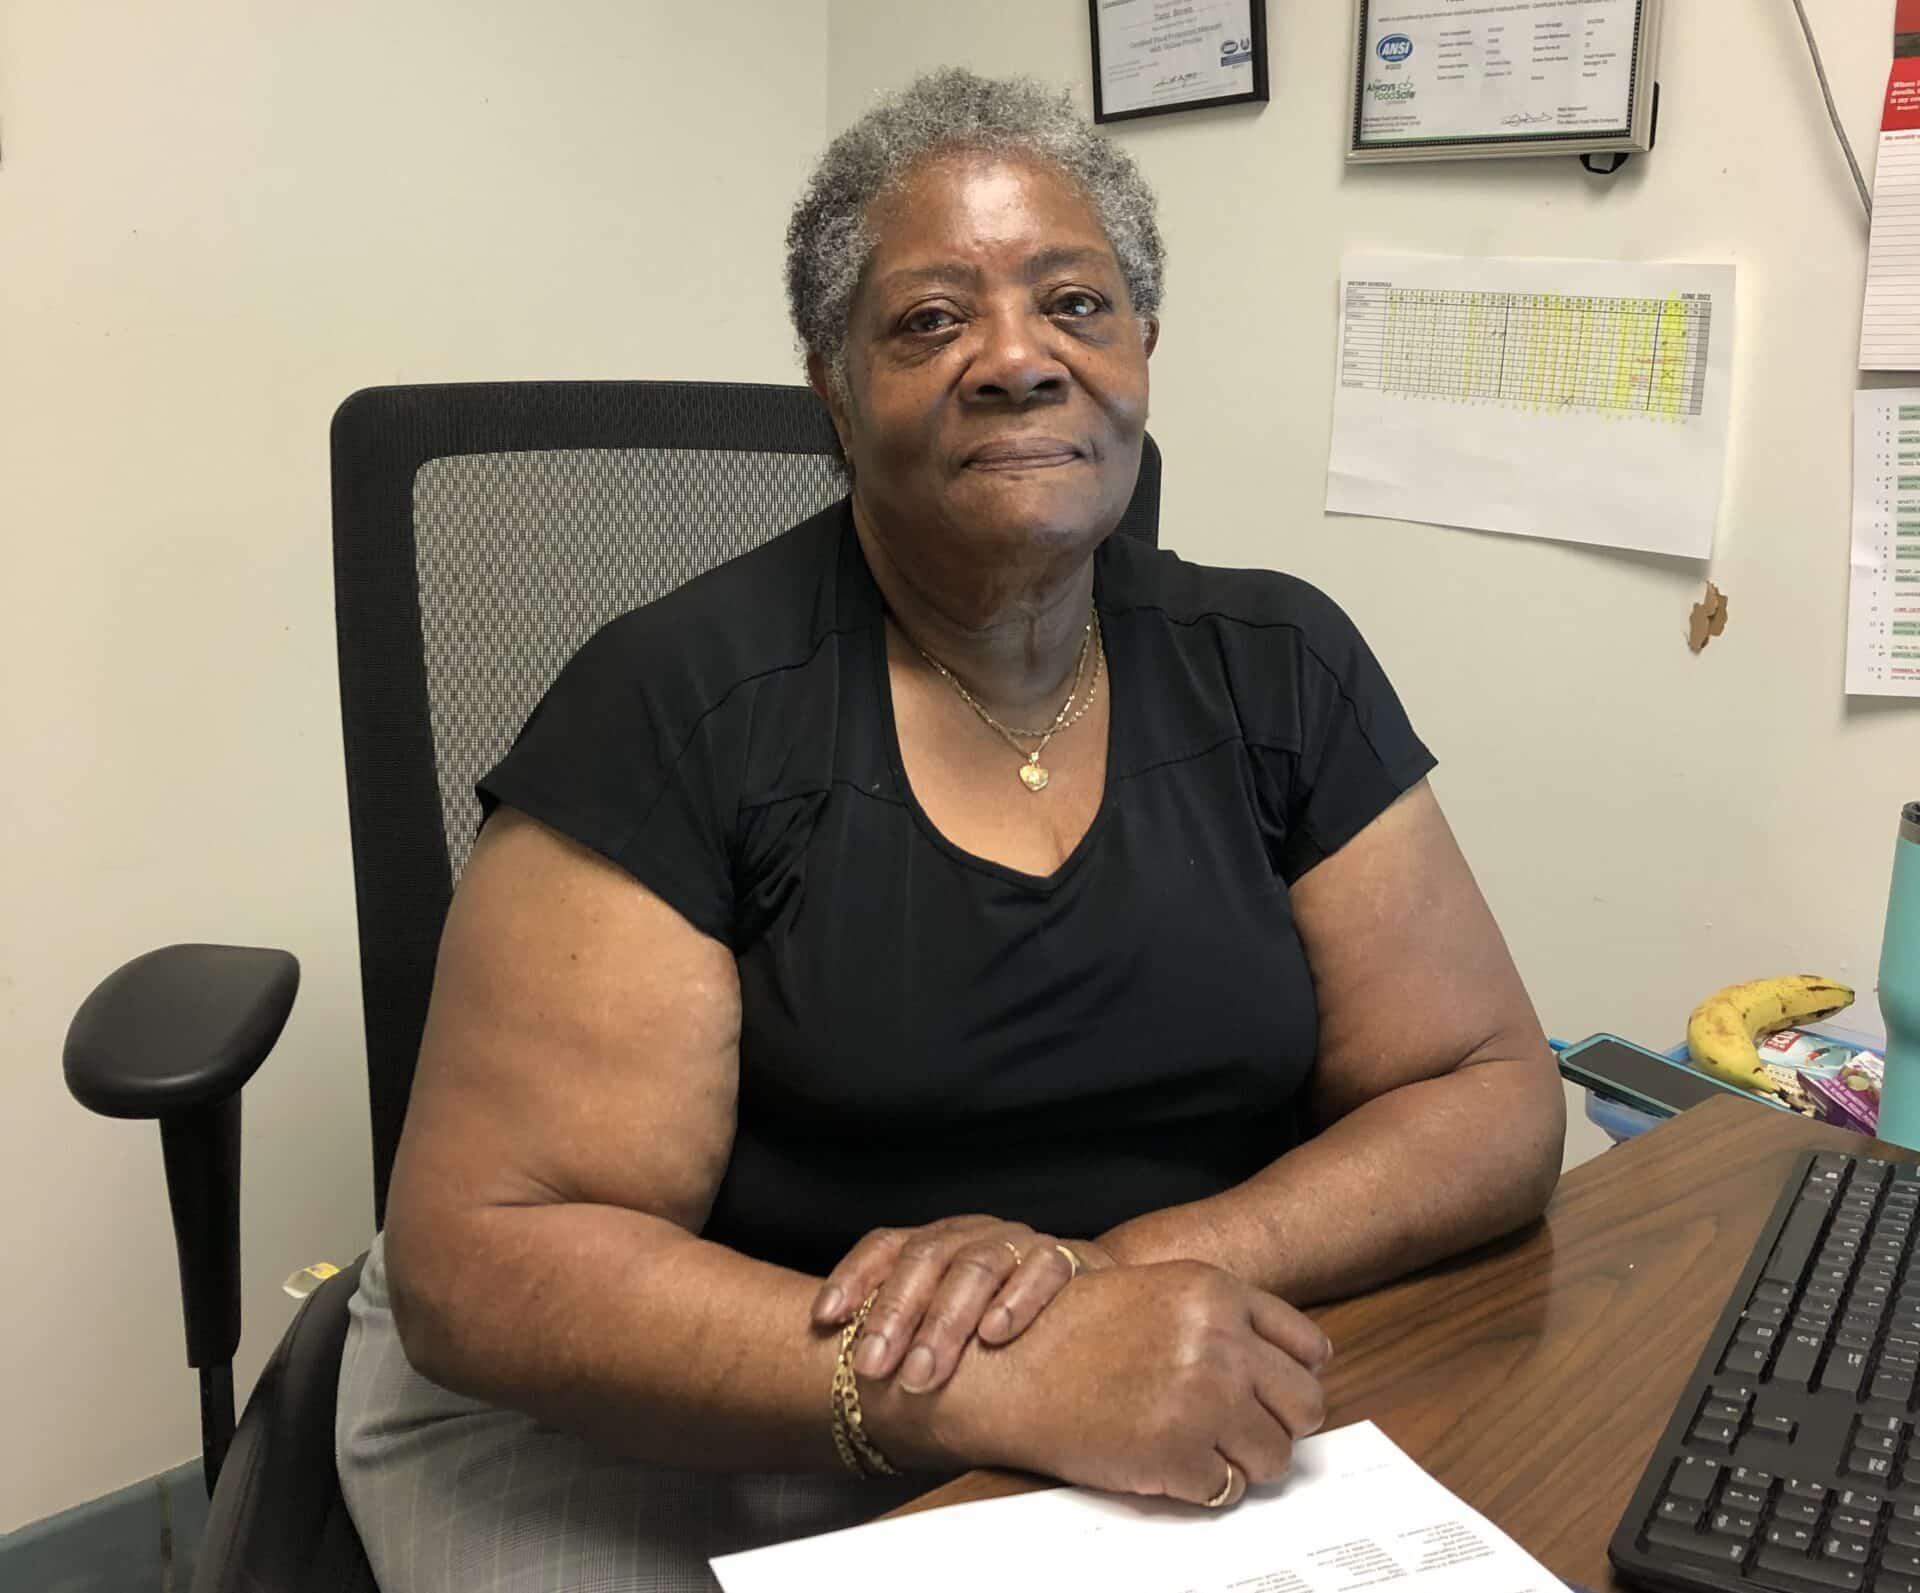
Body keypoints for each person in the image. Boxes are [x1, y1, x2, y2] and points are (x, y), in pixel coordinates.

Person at [337, 66, 1566, 1593]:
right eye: (928, 320)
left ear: (1143, 353)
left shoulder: (1280, 666)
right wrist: (996, 1373)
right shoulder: (676, 705)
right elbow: (489, 1255)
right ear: (832, 389)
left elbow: (1492, 1089)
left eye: (1076, 304)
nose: (1016, 360)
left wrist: (1106, 1284)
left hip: (1130, 1358)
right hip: (676, 1401)